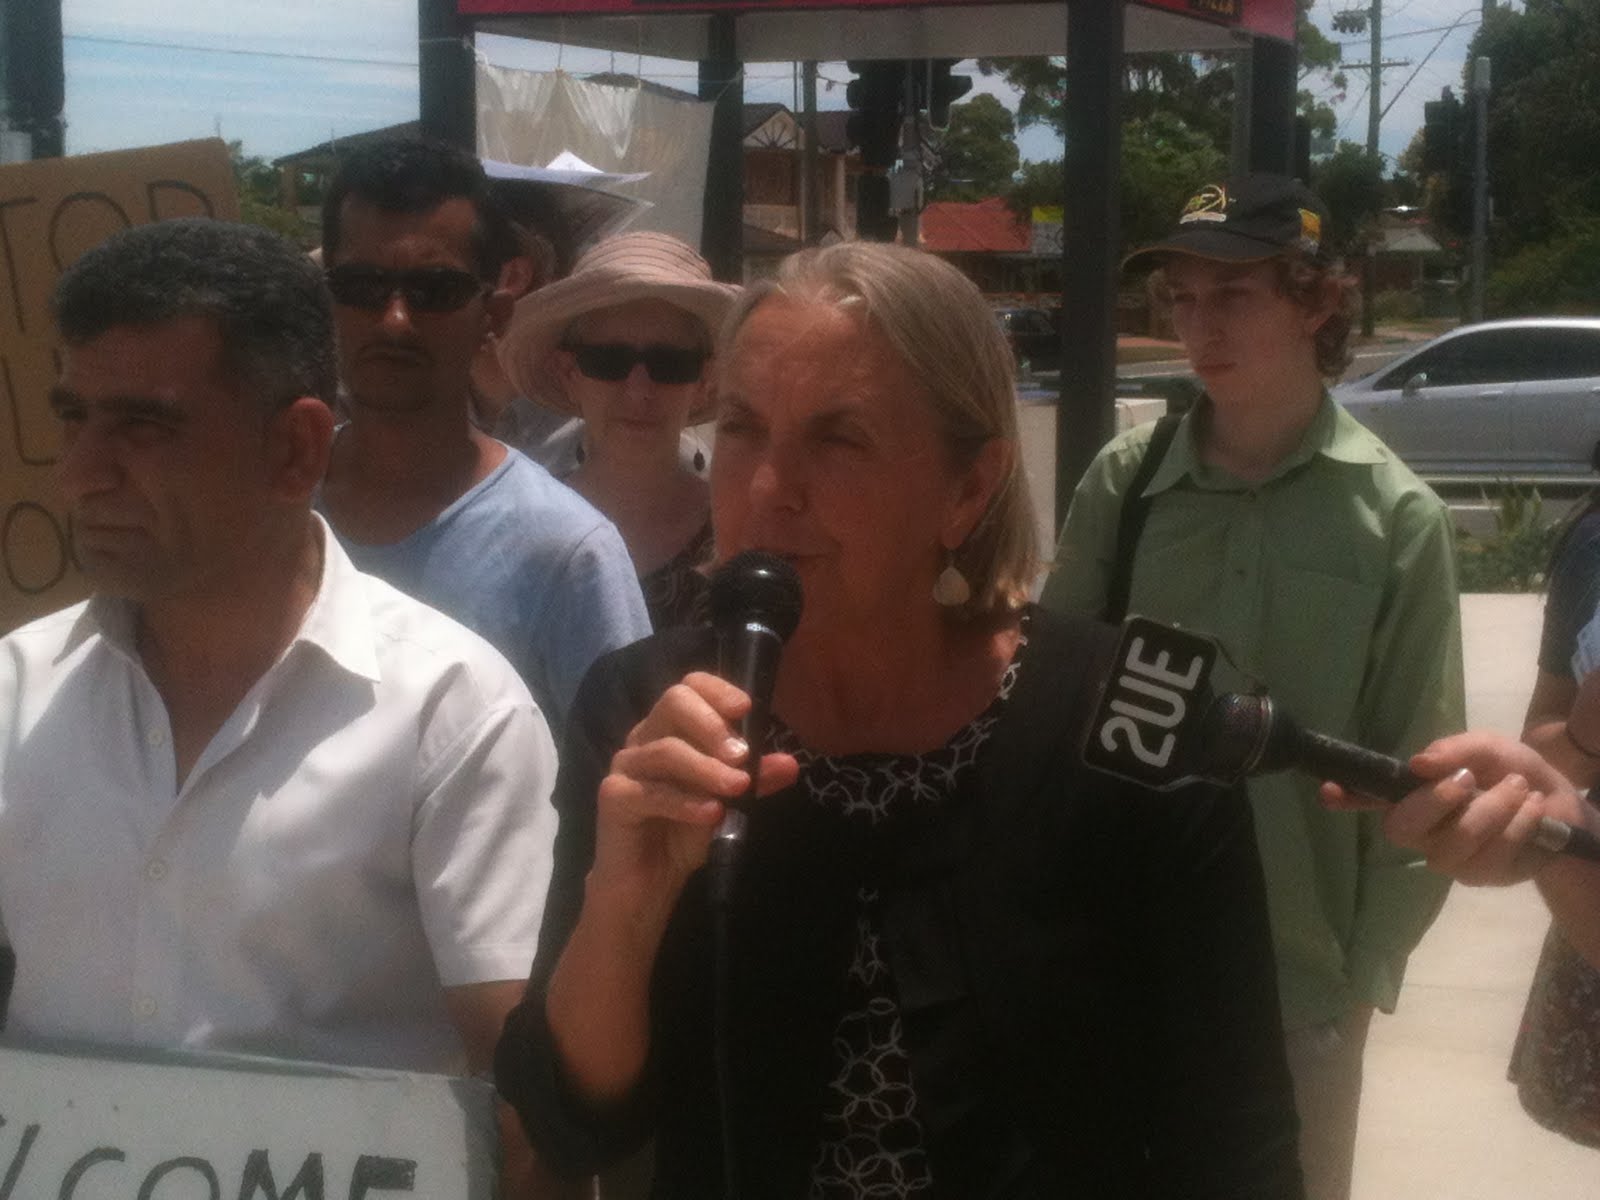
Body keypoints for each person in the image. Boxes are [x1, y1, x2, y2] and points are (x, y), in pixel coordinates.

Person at [494, 241, 1304, 1196]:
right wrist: (624, 906)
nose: (767, 489)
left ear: (969, 488)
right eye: (743, 428)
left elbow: (1236, 1138)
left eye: (839, 439)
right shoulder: (646, 713)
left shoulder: (1132, 720)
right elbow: (574, 1126)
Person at [0, 219, 558, 1196]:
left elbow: (524, 1101)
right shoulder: (15, 694)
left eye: (143, 425)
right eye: (74, 417)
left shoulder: (451, 715)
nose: (83, 470)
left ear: (295, 448)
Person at [1044, 174, 1466, 1200]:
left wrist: (1360, 979)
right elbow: (1045, 704)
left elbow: (1422, 764)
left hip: (1295, 983)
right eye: (1181, 299)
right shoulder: (1126, 483)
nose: (1197, 326)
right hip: (1114, 952)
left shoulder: (1394, 518)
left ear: (1318, 300)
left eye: (1232, 295)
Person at [315, 136, 650, 729]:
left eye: (434, 292)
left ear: (492, 317)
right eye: (362, 288)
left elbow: (622, 786)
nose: (394, 320)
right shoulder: (265, 508)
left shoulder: (565, 554)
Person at [497, 231, 737, 629]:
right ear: (568, 372)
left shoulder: (740, 535)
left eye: (670, 363)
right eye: (608, 360)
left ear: (704, 381)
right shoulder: (519, 531)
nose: (639, 390)